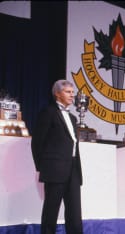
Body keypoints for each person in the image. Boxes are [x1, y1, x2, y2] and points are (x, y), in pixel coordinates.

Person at [31, 79, 83, 234]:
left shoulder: (73, 118)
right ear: (57, 94)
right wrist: (43, 168)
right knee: (51, 211)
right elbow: (37, 142)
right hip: (54, 170)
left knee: (75, 211)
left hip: (73, 169)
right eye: (68, 92)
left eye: (73, 92)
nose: (72, 95)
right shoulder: (48, 112)